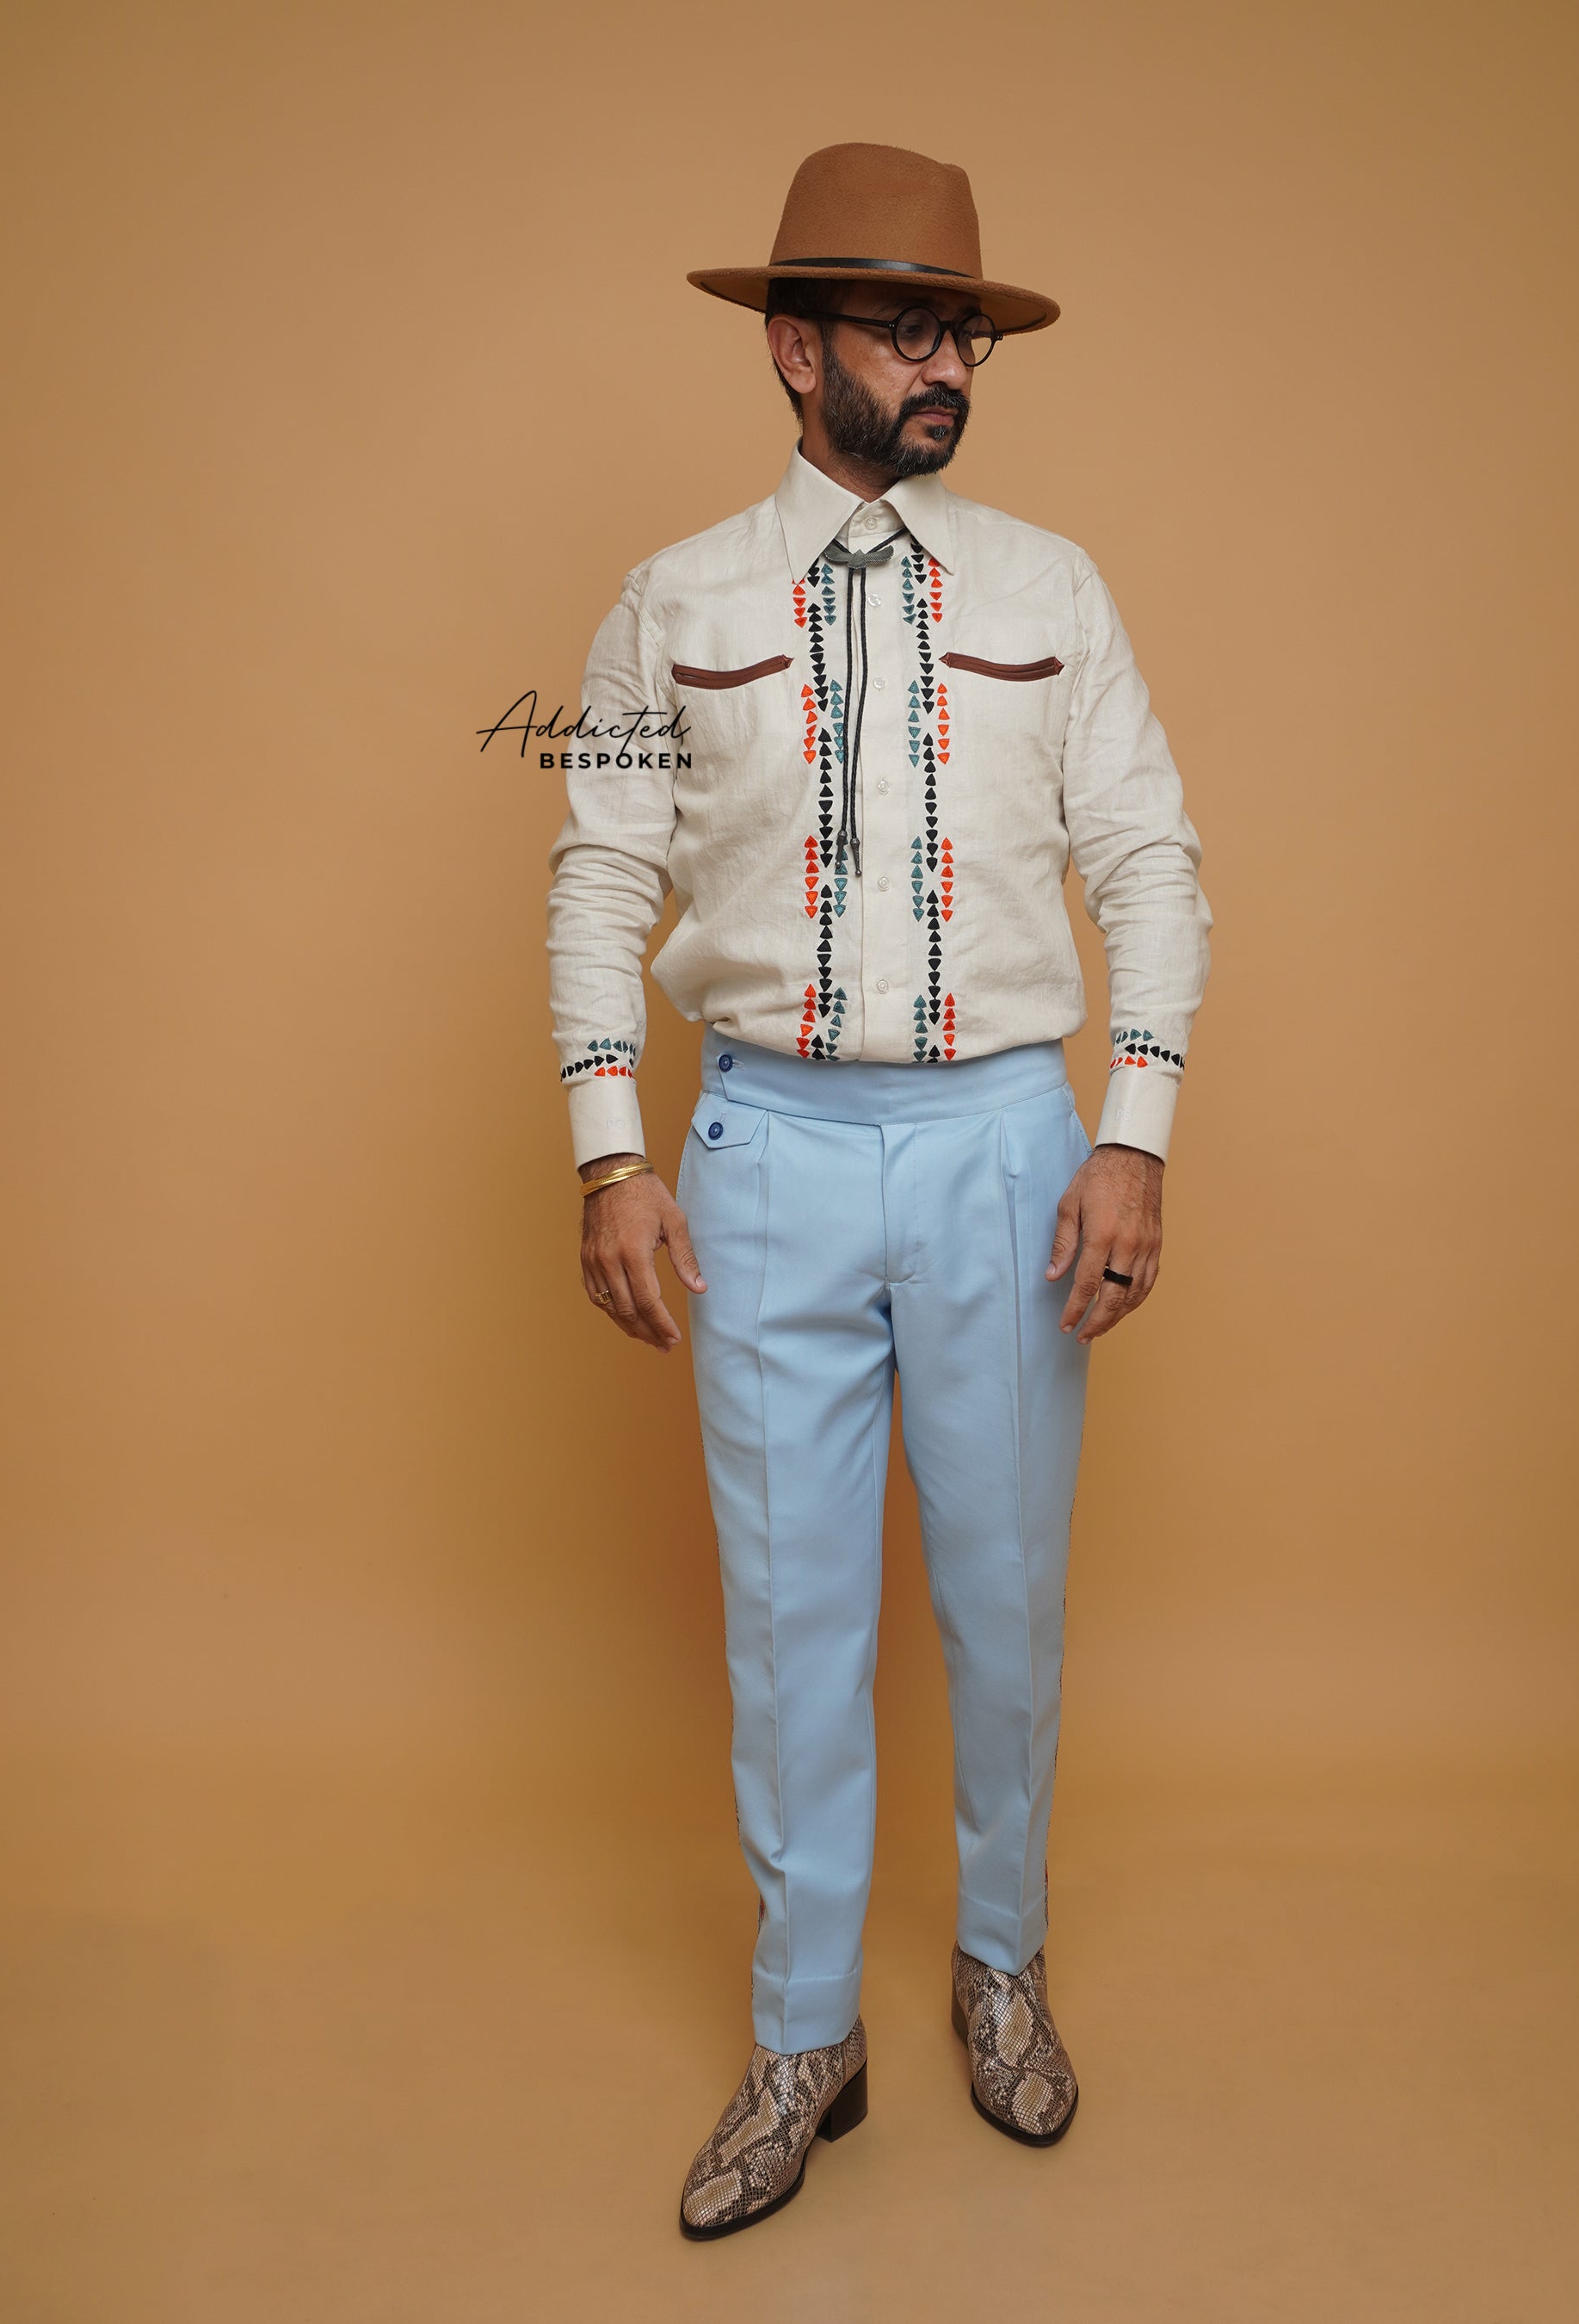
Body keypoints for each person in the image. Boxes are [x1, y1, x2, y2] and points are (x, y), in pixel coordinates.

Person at [544, 140, 1212, 2239]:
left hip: (1005, 1143)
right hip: (761, 1149)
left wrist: (1130, 1125)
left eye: (963, 333)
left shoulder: (1052, 592)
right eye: (906, 330)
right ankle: (797, 2034)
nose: (945, 368)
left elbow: (1149, 865)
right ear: (791, 346)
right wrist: (607, 1149)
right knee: (786, 1618)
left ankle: (998, 1966)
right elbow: (599, 871)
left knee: (1001, 1608)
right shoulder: (672, 603)